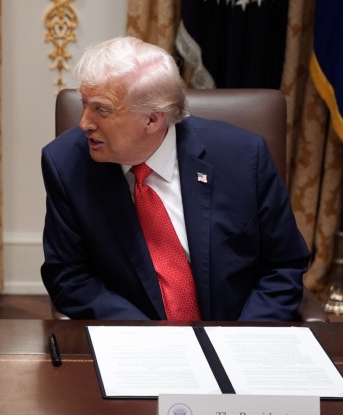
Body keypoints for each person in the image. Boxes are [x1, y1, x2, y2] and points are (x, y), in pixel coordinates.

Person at [41, 36, 310, 321]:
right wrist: (149, 339)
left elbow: (283, 266)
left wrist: (242, 340)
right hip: (136, 341)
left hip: (234, 332)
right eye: (84, 104)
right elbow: (70, 277)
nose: (84, 123)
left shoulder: (243, 158)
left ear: (153, 119)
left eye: (101, 109)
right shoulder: (66, 164)